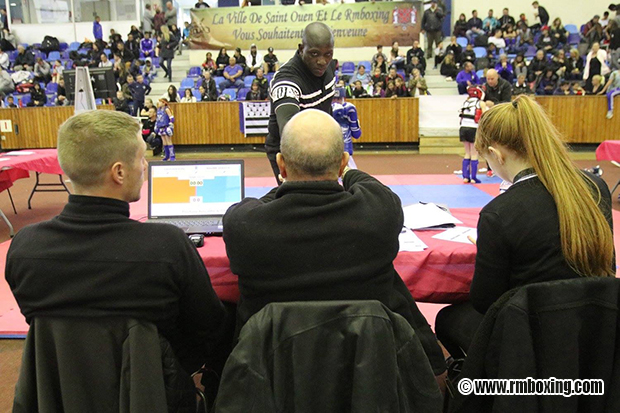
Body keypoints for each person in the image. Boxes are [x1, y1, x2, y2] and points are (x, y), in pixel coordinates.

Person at [224, 108, 448, 382]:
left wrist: (289, 180)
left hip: (272, 376)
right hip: (373, 371)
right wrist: (344, 172)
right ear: (343, 163)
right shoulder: (380, 213)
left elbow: (262, 203)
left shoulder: (245, 226)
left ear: (281, 164)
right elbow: (371, 185)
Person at [6, 109, 227, 376]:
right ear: (119, 172)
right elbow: (210, 327)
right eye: (141, 157)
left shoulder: (23, 249)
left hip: (61, 390)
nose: (145, 166)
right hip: (151, 388)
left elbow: (45, 329)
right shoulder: (167, 245)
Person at [435, 95, 614, 359]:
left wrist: (490, 246)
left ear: (496, 155)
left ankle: (489, 389)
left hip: (530, 334)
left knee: (447, 319)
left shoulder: (500, 213)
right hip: (594, 324)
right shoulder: (595, 188)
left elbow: (486, 301)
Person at [265, 22, 336, 183]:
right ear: (300, 48)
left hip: (320, 144)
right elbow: (290, 134)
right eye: (314, 54)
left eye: (328, 54)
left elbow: (326, 109)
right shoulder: (287, 81)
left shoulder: (329, 66)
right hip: (291, 152)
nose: (322, 61)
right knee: (302, 202)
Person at [458, 86, 486, 184]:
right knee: (474, 153)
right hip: (473, 128)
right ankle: (474, 177)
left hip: (463, 128)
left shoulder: (466, 102)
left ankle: (465, 177)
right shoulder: (480, 103)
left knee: (467, 153)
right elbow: (486, 114)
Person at [332, 87, 361, 168]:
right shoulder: (325, 110)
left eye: (338, 99)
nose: (336, 102)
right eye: (333, 99)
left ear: (344, 99)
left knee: (350, 169)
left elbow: (356, 134)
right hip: (329, 148)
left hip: (346, 149)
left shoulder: (349, 110)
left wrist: (352, 121)